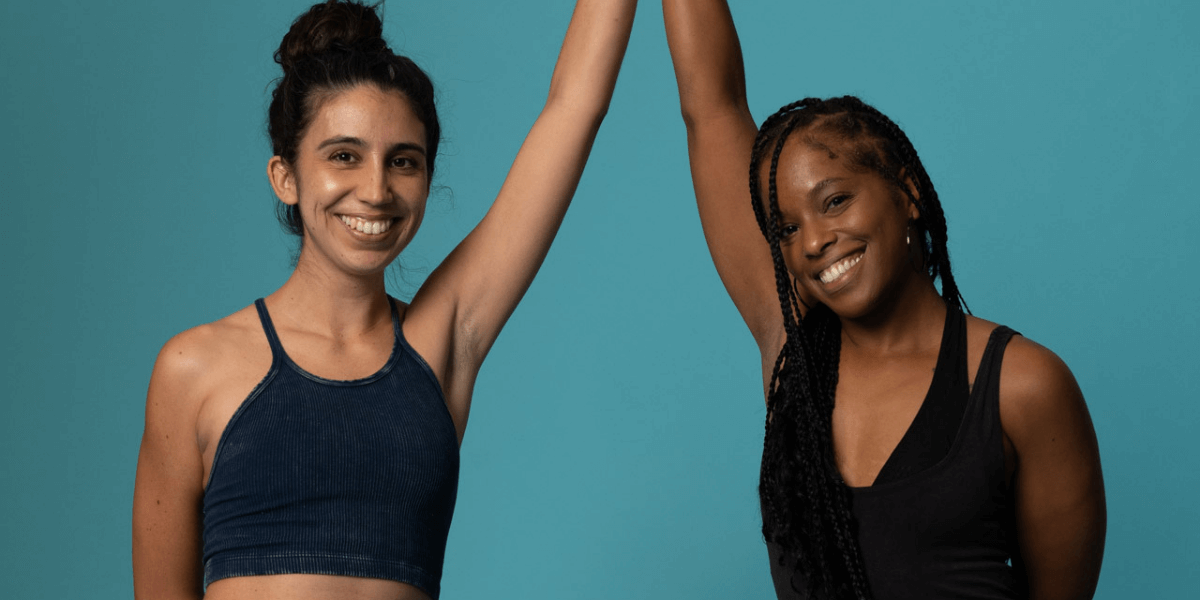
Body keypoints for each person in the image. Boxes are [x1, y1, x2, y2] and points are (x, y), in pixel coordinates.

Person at [131, 1, 635, 598]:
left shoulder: (438, 346)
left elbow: (574, 108)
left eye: (403, 162)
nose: (375, 190)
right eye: (344, 155)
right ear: (285, 176)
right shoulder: (193, 368)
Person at [662, 1, 1105, 599]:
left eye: (835, 200)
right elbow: (710, 108)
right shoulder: (796, 357)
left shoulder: (1022, 386)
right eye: (786, 229)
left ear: (909, 193)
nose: (815, 239)